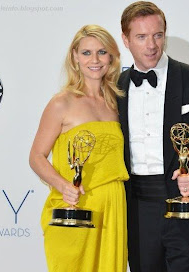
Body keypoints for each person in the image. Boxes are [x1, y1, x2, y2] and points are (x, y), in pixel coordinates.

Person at [118, 2, 189, 272]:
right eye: (141, 37)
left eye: (158, 35)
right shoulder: (115, 88)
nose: (151, 45)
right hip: (136, 211)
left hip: (187, 209)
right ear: (125, 40)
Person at [29, 24, 129, 272]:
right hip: (75, 205)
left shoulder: (117, 103)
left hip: (113, 205)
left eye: (102, 52)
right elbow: (36, 157)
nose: (94, 60)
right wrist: (64, 186)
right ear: (74, 56)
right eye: (86, 53)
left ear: (112, 57)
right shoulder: (61, 103)